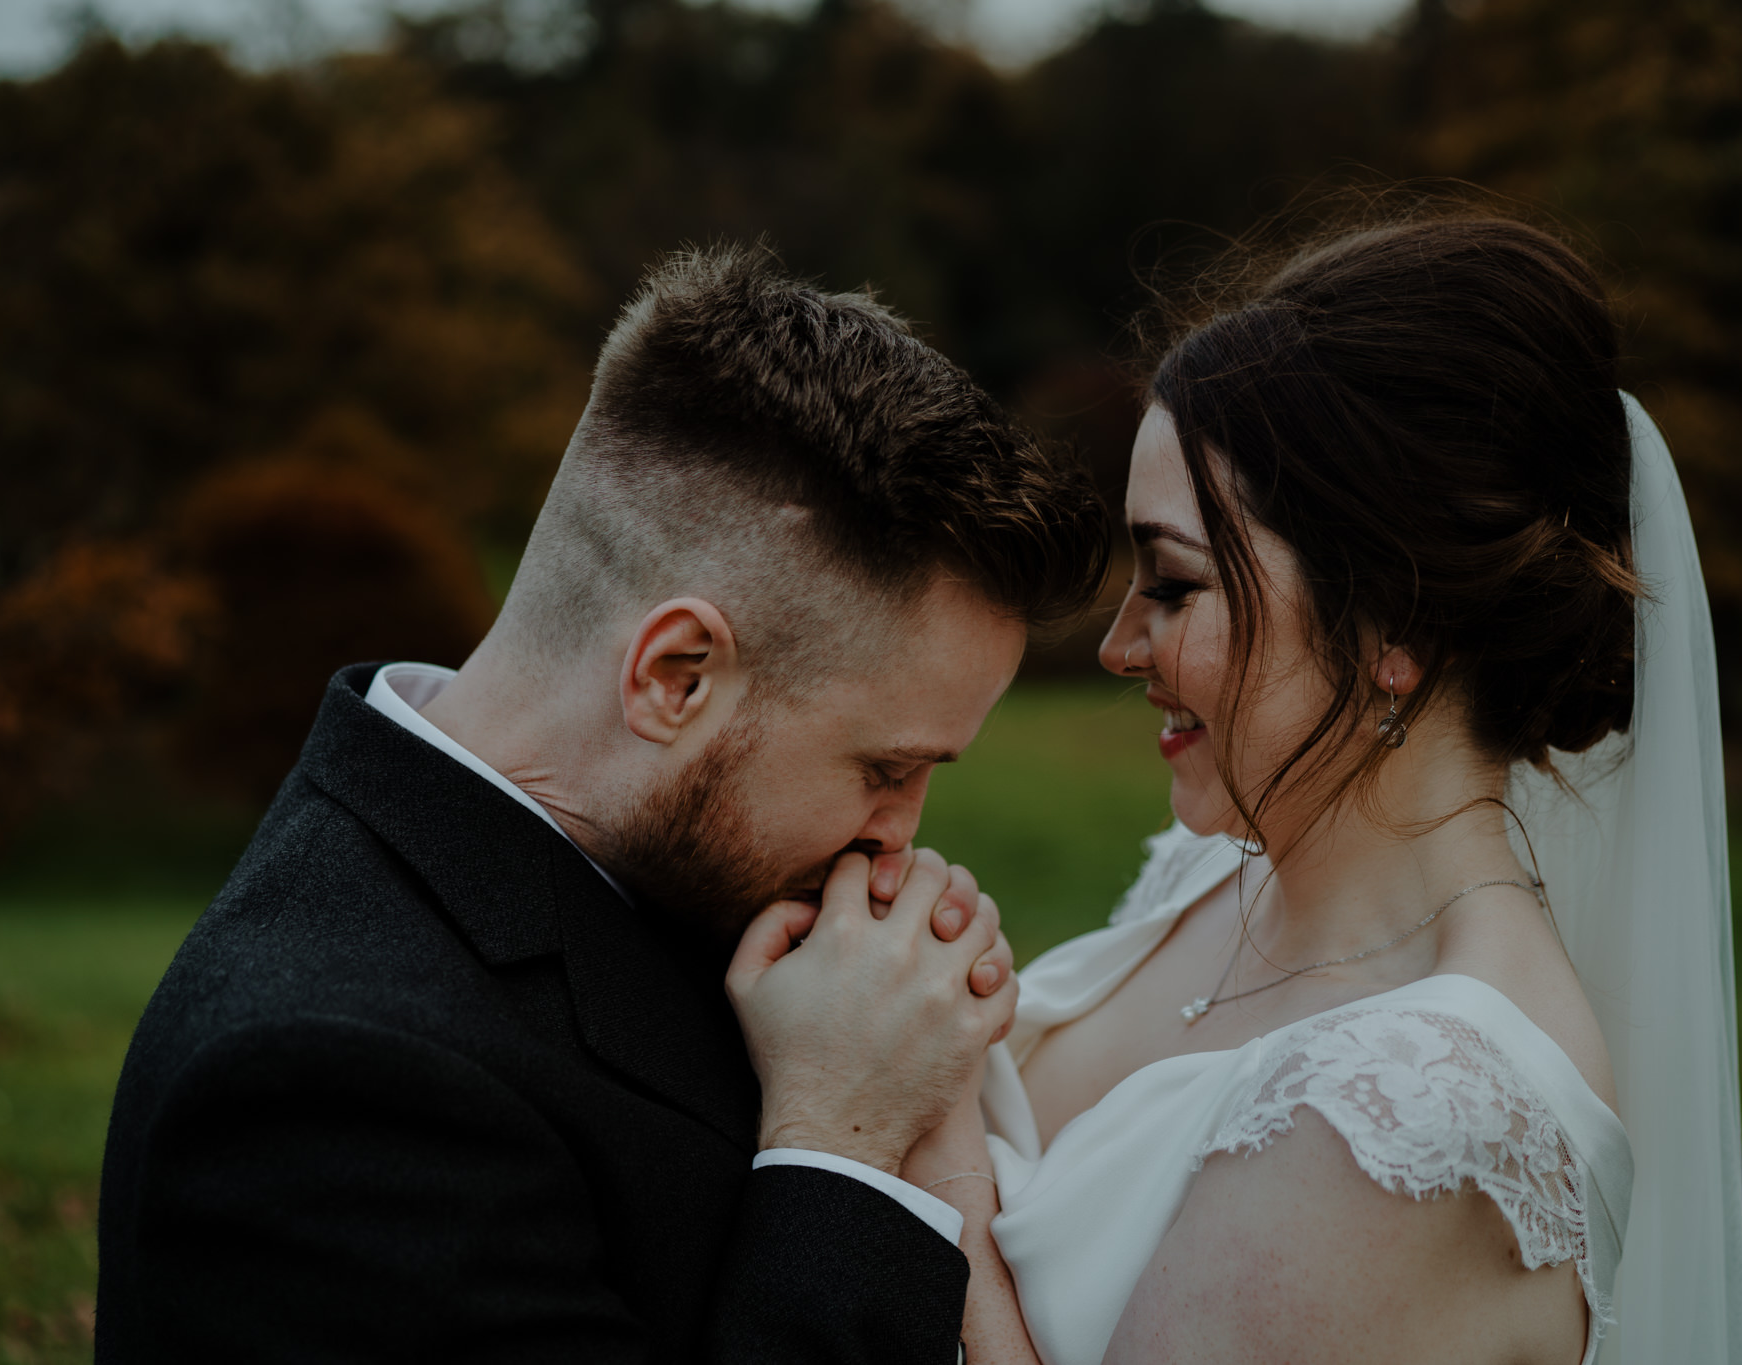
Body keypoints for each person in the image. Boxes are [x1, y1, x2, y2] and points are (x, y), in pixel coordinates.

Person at [94, 243, 1108, 1363]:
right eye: (883, 768)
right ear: (675, 676)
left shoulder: (648, 873)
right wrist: (841, 1143)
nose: (902, 833)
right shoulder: (328, 1086)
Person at [894, 215, 1742, 1364]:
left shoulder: (1419, 1116)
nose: (1117, 646)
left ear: (1391, 623)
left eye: (1173, 584)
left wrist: (919, 1126)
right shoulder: (1206, 867)